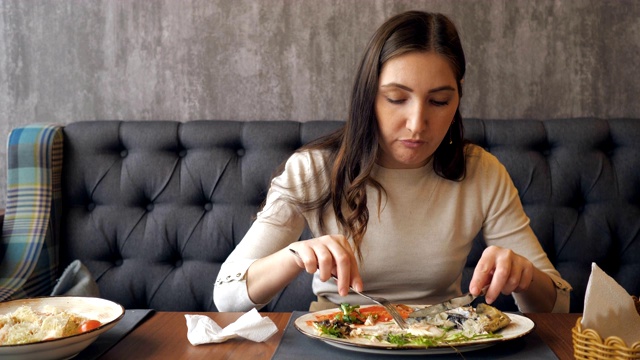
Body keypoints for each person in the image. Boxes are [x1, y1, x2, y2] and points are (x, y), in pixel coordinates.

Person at [213, 10, 571, 313]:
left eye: (439, 102)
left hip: (444, 342)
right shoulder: (314, 170)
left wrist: (524, 275)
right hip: (338, 342)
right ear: (368, 96)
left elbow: (559, 305)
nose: (417, 124)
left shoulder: (482, 172)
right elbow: (225, 295)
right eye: (397, 98)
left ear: (458, 98)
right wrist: (293, 255)